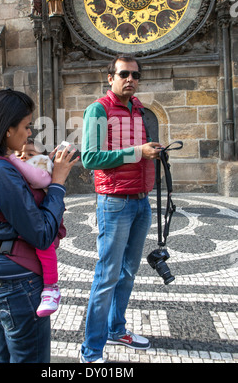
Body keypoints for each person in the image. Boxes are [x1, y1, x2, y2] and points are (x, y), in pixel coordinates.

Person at [0, 89, 78, 363]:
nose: (29, 133)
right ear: (7, 129)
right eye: (26, 126)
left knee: (5, 354)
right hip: (16, 282)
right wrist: (57, 182)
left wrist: (39, 164)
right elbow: (42, 234)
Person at [80, 55, 161, 363]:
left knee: (128, 272)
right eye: (124, 74)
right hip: (114, 203)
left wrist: (153, 152)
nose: (130, 79)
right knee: (107, 276)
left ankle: (117, 329)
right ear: (110, 77)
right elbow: (90, 158)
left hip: (141, 200)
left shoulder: (139, 109)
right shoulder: (98, 109)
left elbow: (138, 152)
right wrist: (137, 152)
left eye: (135, 75)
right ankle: (91, 351)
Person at [9, 139, 63, 317]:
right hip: (25, 226)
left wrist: (13, 158)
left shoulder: (42, 173)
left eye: (31, 154)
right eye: (19, 154)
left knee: (44, 249)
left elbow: (37, 178)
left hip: (41, 224)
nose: (23, 157)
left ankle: (51, 288)